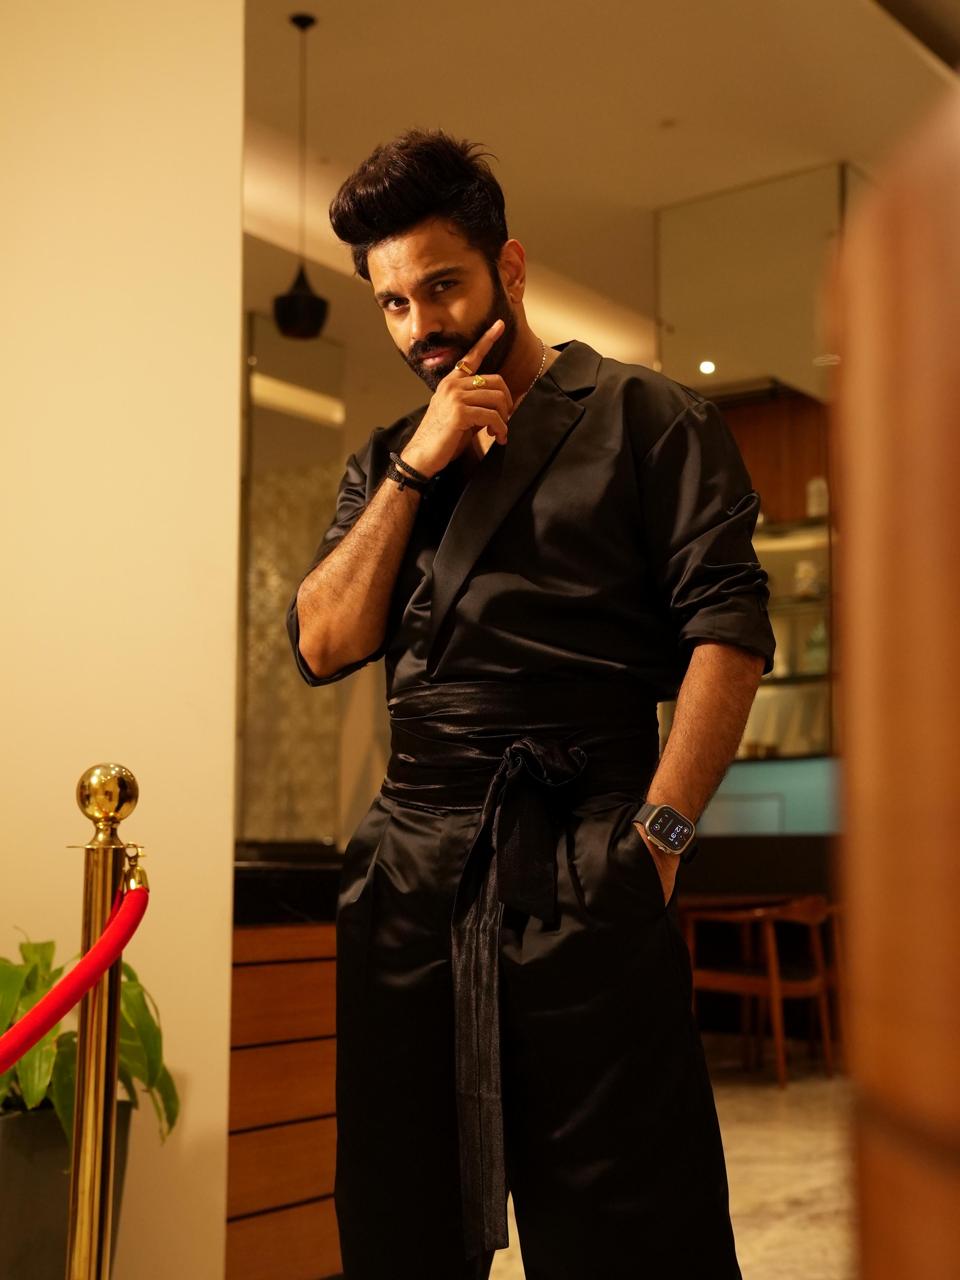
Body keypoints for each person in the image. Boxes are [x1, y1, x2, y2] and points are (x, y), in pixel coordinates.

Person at [288, 129, 775, 1280]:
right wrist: (417, 464)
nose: (421, 326)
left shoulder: (651, 419)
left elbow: (730, 632)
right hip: (411, 865)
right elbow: (323, 639)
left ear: (509, 266)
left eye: (442, 286)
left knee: (629, 1227)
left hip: (584, 848)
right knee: (400, 1224)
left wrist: (656, 840)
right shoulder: (390, 459)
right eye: (394, 302)